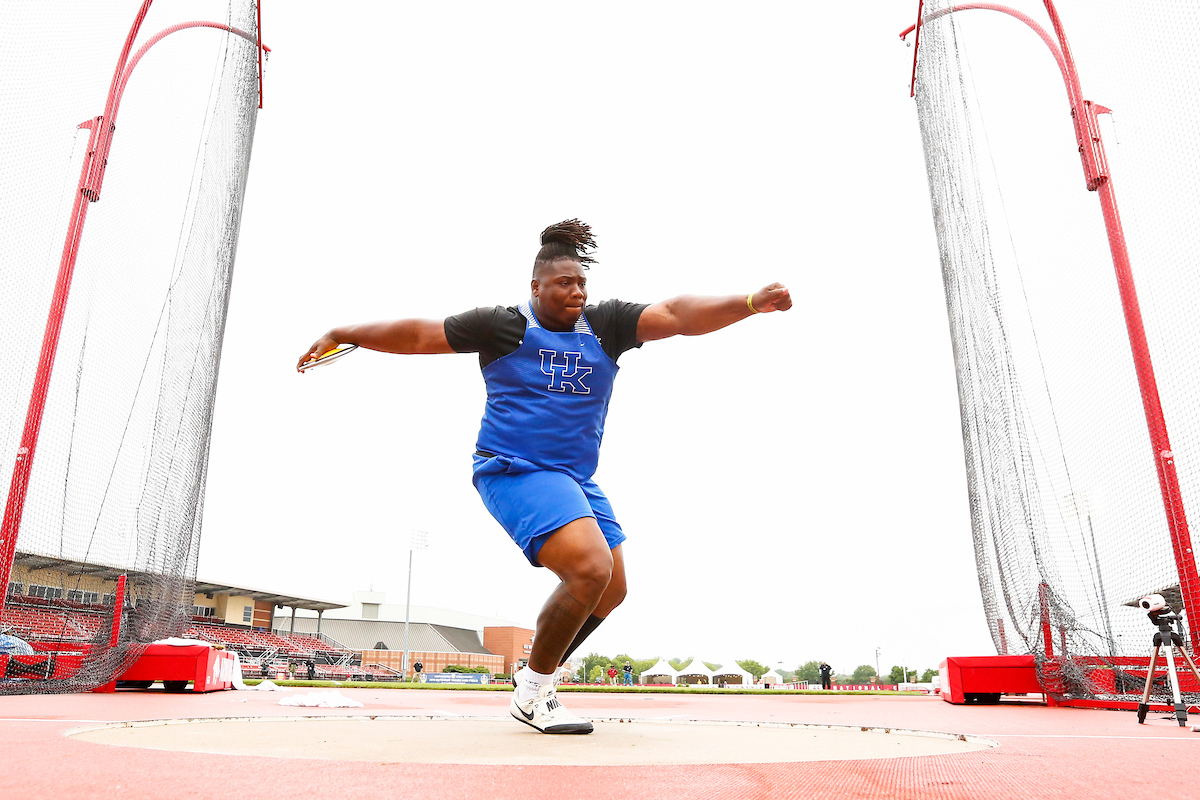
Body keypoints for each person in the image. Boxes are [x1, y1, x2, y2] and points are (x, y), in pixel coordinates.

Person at [299, 219, 791, 734]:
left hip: (574, 478)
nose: (577, 291)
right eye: (564, 284)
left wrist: (749, 302)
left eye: (582, 283)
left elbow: (673, 314)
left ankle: (537, 676)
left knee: (611, 588)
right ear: (535, 287)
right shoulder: (501, 325)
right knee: (589, 567)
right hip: (513, 468)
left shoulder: (606, 325)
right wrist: (343, 332)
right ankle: (533, 694)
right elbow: (422, 334)